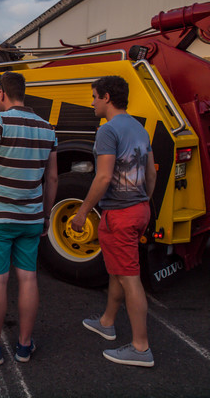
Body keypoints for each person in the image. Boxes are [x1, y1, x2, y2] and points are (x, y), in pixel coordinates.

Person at [0, 71, 58, 365]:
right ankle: (24, 346)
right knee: (28, 278)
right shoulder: (47, 128)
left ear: (1, 93)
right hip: (31, 218)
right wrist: (44, 217)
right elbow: (52, 179)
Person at [71, 75, 156, 368]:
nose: (92, 102)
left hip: (119, 214)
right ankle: (107, 321)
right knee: (119, 270)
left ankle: (141, 347)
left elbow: (104, 176)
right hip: (139, 209)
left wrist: (82, 212)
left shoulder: (107, 131)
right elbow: (151, 172)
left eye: (94, 96)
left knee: (129, 278)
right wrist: (143, 201)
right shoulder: (139, 127)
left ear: (107, 97)